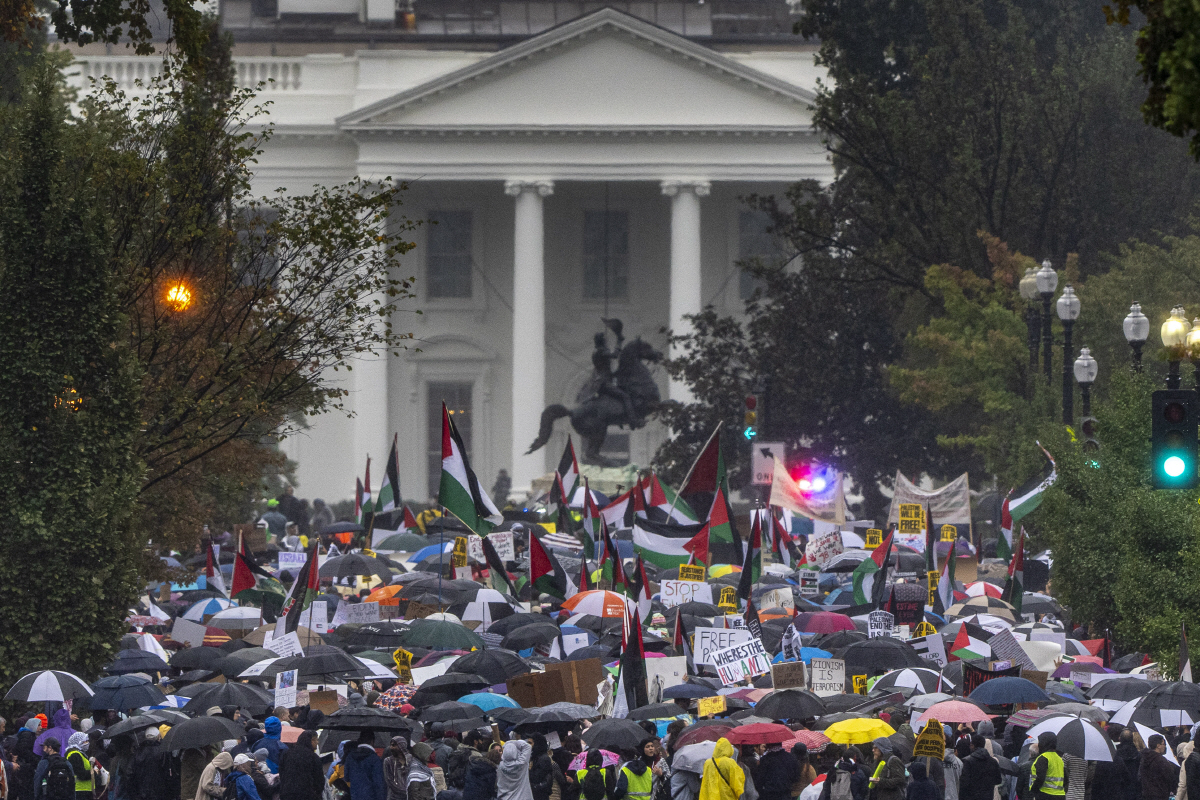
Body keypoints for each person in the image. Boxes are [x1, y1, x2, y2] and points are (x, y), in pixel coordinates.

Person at [278, 730, 324, 800]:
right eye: (317, 740)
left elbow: (281, 772)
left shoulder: (287, 754)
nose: (317, 743)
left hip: (287, 793)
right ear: (312, 740)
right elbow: (319, 779)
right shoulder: (313, 757)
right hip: (307, 794)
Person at [129, 728, 171, 800]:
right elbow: (167, 774)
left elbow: (130, 774)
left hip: (141, 794)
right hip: (160, 794)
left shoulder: (138, 752)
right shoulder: (163, 752)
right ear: (158, 736)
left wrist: (134, 794)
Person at [344, 731, 387, 800]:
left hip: (355, 796)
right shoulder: (374, 759)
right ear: (372, 741)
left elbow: (346, 777)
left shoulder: (350, 757)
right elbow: (379, 783)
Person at [958, 735, 1000, 800]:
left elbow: (964, 783)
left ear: (973, 745)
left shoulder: (968, 761)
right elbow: (998, 780)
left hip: (971, 796)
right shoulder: (993, 762)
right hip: (988, 796)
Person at [1140, 734, 1179, 800]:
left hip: (1146, 794)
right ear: (1158, 746)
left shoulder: (1143, 758)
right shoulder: (1161, 760)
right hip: (1160, 795)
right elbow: (1169, 777)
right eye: (1163, 744)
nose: (1164, 746)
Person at [1029, 733, 1066, 800]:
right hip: (1060, 795)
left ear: (1044, 743)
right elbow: (1066, 779)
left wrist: (1034, 789)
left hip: (1045, 794)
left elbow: (1040, 778)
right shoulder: (1059, 759)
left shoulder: (1043, 757)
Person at [64, 733, 92, 800]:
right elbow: (81, 774)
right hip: (80, 791)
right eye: (85, 741)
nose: (87, 743)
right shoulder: (75, 755)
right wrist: (93, 772)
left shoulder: (80, 754)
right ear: (78, 742)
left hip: (84, 790)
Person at [529, 735, 557, 800]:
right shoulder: (536, 757)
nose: (528, 745)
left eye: (530, 743)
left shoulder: (543, 759)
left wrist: (528, 772)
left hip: (540, 794)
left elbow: (538, 777)